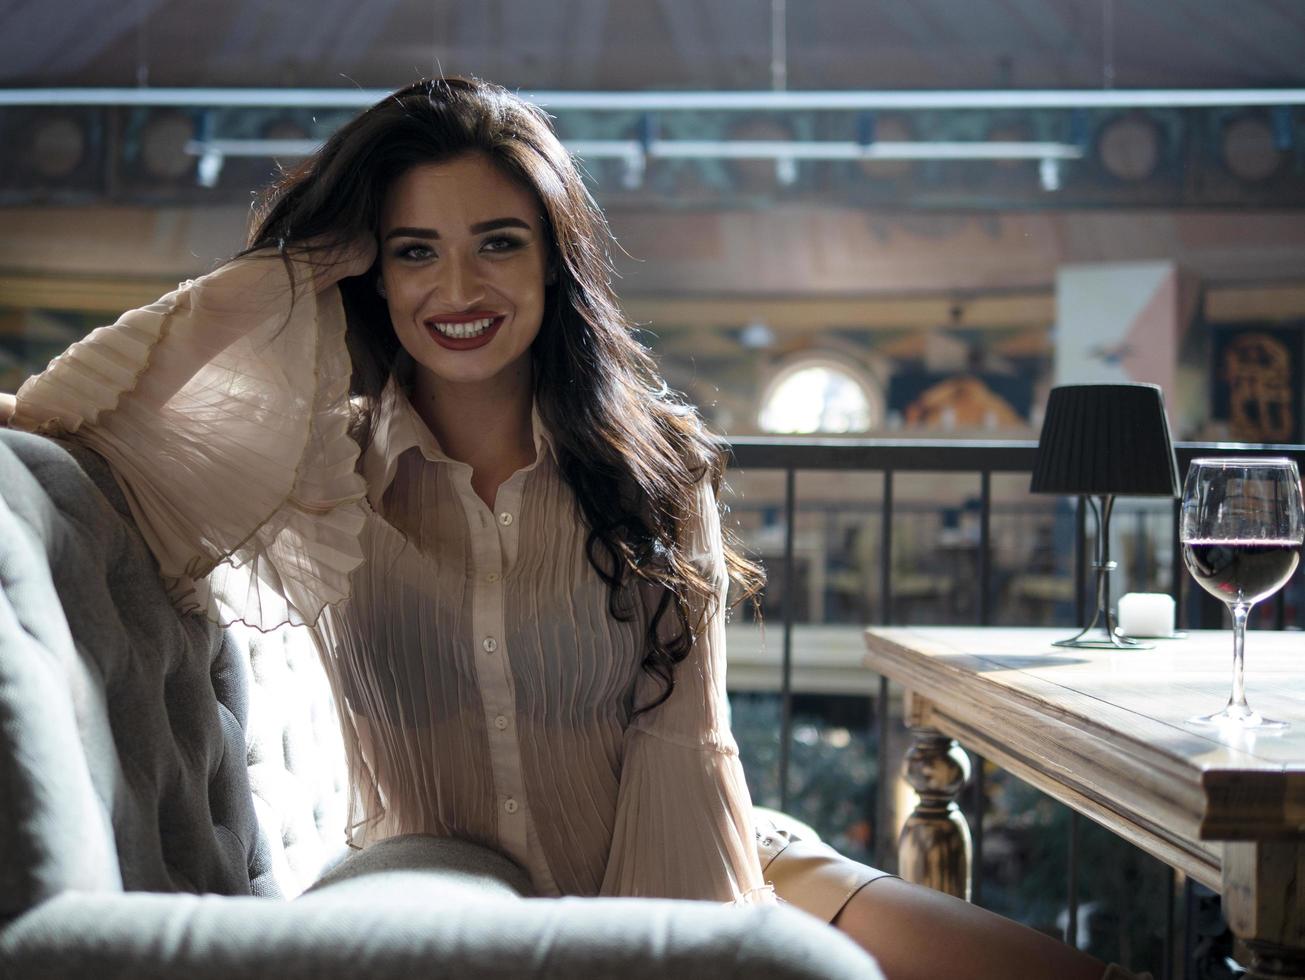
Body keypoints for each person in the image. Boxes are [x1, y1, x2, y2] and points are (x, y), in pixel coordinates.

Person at [0, 77, 1139, 980]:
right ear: (371, 270)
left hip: (702, 860)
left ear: (554, 261)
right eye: (414, 249)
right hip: (459, 898)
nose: (459, 284)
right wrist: (293, 271)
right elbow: (57, 420)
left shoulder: (659, 466)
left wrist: (690, 951)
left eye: (498, 241)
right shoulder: (321, 476)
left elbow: (688, 756)